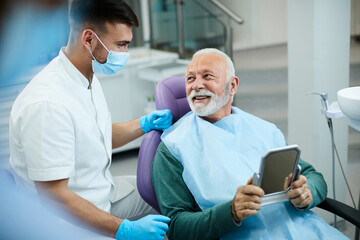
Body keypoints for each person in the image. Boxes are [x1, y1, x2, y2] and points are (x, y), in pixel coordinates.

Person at [9, 0, 171, 239]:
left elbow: (98, 136)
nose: (124, 54)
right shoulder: (47, 104)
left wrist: (145, 123)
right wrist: (123, 229)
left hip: (102, 195)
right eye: (121, 45)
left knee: (170, 190)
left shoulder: (85, 76)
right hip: (69, 225)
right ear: (89, 39)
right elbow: (55, 197)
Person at [151, 48, 348, 239]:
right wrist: (231, 212)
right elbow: (176, 228)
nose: (196, 85)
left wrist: (307, 193)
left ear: (233, 85)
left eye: (208, 76)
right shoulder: (172, 148)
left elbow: (313, 176)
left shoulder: (264, 130)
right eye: (190, 78)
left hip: (304, 229)